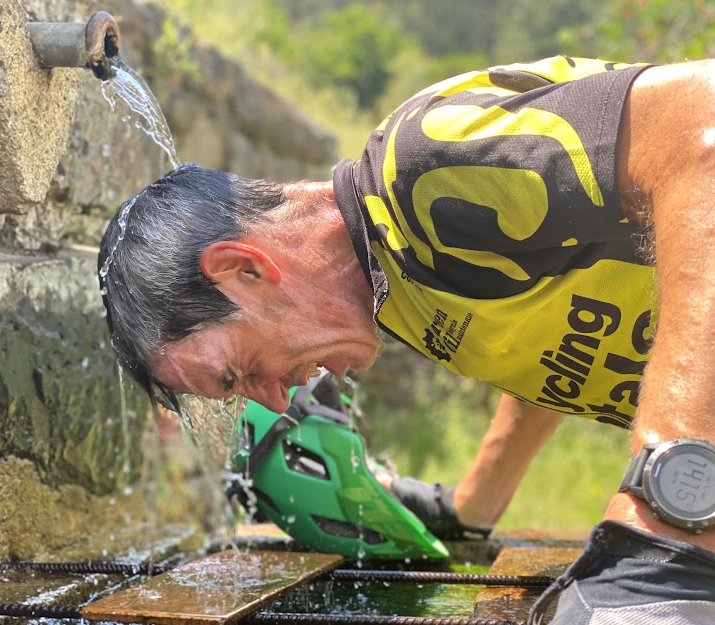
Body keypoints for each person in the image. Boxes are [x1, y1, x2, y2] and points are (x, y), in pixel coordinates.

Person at [99, 56, 715, 624]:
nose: (277, 402)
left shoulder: (422, 172)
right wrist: (469, 509)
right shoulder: (398, 296)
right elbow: (554, 348)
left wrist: (668, 527)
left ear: (244, 269)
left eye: (235, 374)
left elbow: (701, 122)